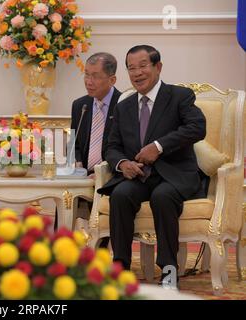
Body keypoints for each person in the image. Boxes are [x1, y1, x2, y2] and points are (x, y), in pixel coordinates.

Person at [98, 45, 206, 286]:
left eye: (143, 66)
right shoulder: (123, 106)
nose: (137, 73)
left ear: (158, 67)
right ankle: (120, 268)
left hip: (174, 175)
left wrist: (158, 146)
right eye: (131, 68)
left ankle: (169, 270)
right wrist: (122, 163)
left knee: (163, 197)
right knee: (121, 195)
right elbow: (111, 147)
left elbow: (197, 128)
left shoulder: (179, 96)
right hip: (139, 175)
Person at [68, 53, 121, 248]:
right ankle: (62, 252)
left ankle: (99, 254)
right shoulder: (79, 105)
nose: (89, 82)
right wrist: (79, 165)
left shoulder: (124, 104)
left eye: (95, 76)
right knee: (63, 193)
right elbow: (74, 143)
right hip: (84, 173)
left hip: (111, 174)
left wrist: (103, 172)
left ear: (112, 79)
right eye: (86, 75)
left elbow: (127, 148)